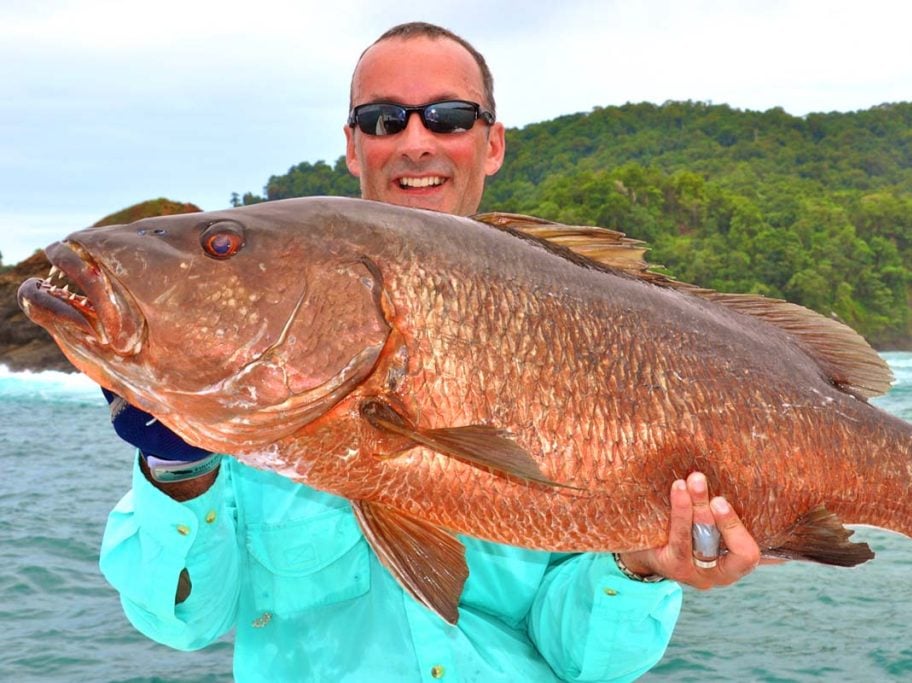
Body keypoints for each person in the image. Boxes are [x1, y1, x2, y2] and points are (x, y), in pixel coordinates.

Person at [100, 22, 763, 682]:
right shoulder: (243, 404)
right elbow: (183, 621)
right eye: (384, 119)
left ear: (492, 142)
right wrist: (176, 467)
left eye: (449, 117)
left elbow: (583, 658)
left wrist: (640, 562)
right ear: (353, 145)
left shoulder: (582, 320)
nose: (416, 142)